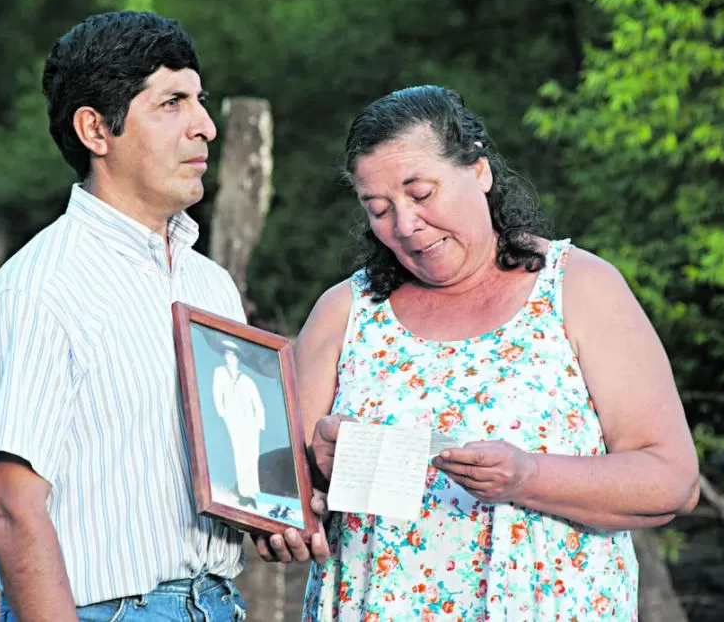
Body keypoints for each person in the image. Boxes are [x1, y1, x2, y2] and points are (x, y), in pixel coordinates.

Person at [271, 85, 701, 620]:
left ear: (479, 171)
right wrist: (315, 478)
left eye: (421, 194)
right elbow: (277, 496)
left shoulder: (578, 287)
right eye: (378, 209)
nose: (404, 225)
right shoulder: (346, 310)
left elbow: (672, 481)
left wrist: (527, 477)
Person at [0, 11, 251, 622]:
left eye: (201, 100)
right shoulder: (40, 289)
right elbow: (12, 505)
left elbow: (234, 467)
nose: (205, 127)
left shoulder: (210, 284)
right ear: (96, 129)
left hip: (219, 603)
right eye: (171, 102)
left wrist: (279, 510)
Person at [212, 340, 266, 508]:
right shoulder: (220, 373)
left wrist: (260, 423)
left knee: (252, 456)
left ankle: (253, 493)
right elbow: (216, 393)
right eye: (227, 354)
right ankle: (243, 492)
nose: (231, 358)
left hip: (250, 423)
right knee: (239, 454)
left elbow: (256, 401)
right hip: (233, 421)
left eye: (233, 355)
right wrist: (222, 414)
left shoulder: (247, 380)